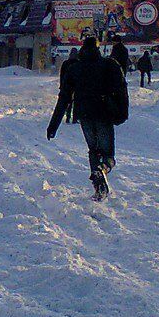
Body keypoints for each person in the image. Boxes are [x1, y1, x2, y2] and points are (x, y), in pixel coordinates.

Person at [47, 36, 128, 200]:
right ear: (97, 49)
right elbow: (121, 90)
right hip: (104, 114)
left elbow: (64, 97)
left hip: (84, 115)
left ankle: (99, 189)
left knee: (93, 150)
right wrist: (122, 113)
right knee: (108, 155)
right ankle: (103, 169)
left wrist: (53, 125)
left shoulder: (75, 68)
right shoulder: (109, 65)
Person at [60, 48, 79, 124]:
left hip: (67, 85)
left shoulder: (66, 63)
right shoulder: (78, 63)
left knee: (69, 102)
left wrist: (62, 84)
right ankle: (75, 118)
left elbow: (62, 75)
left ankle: (68, 117)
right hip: (76, 85)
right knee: (76, 102)